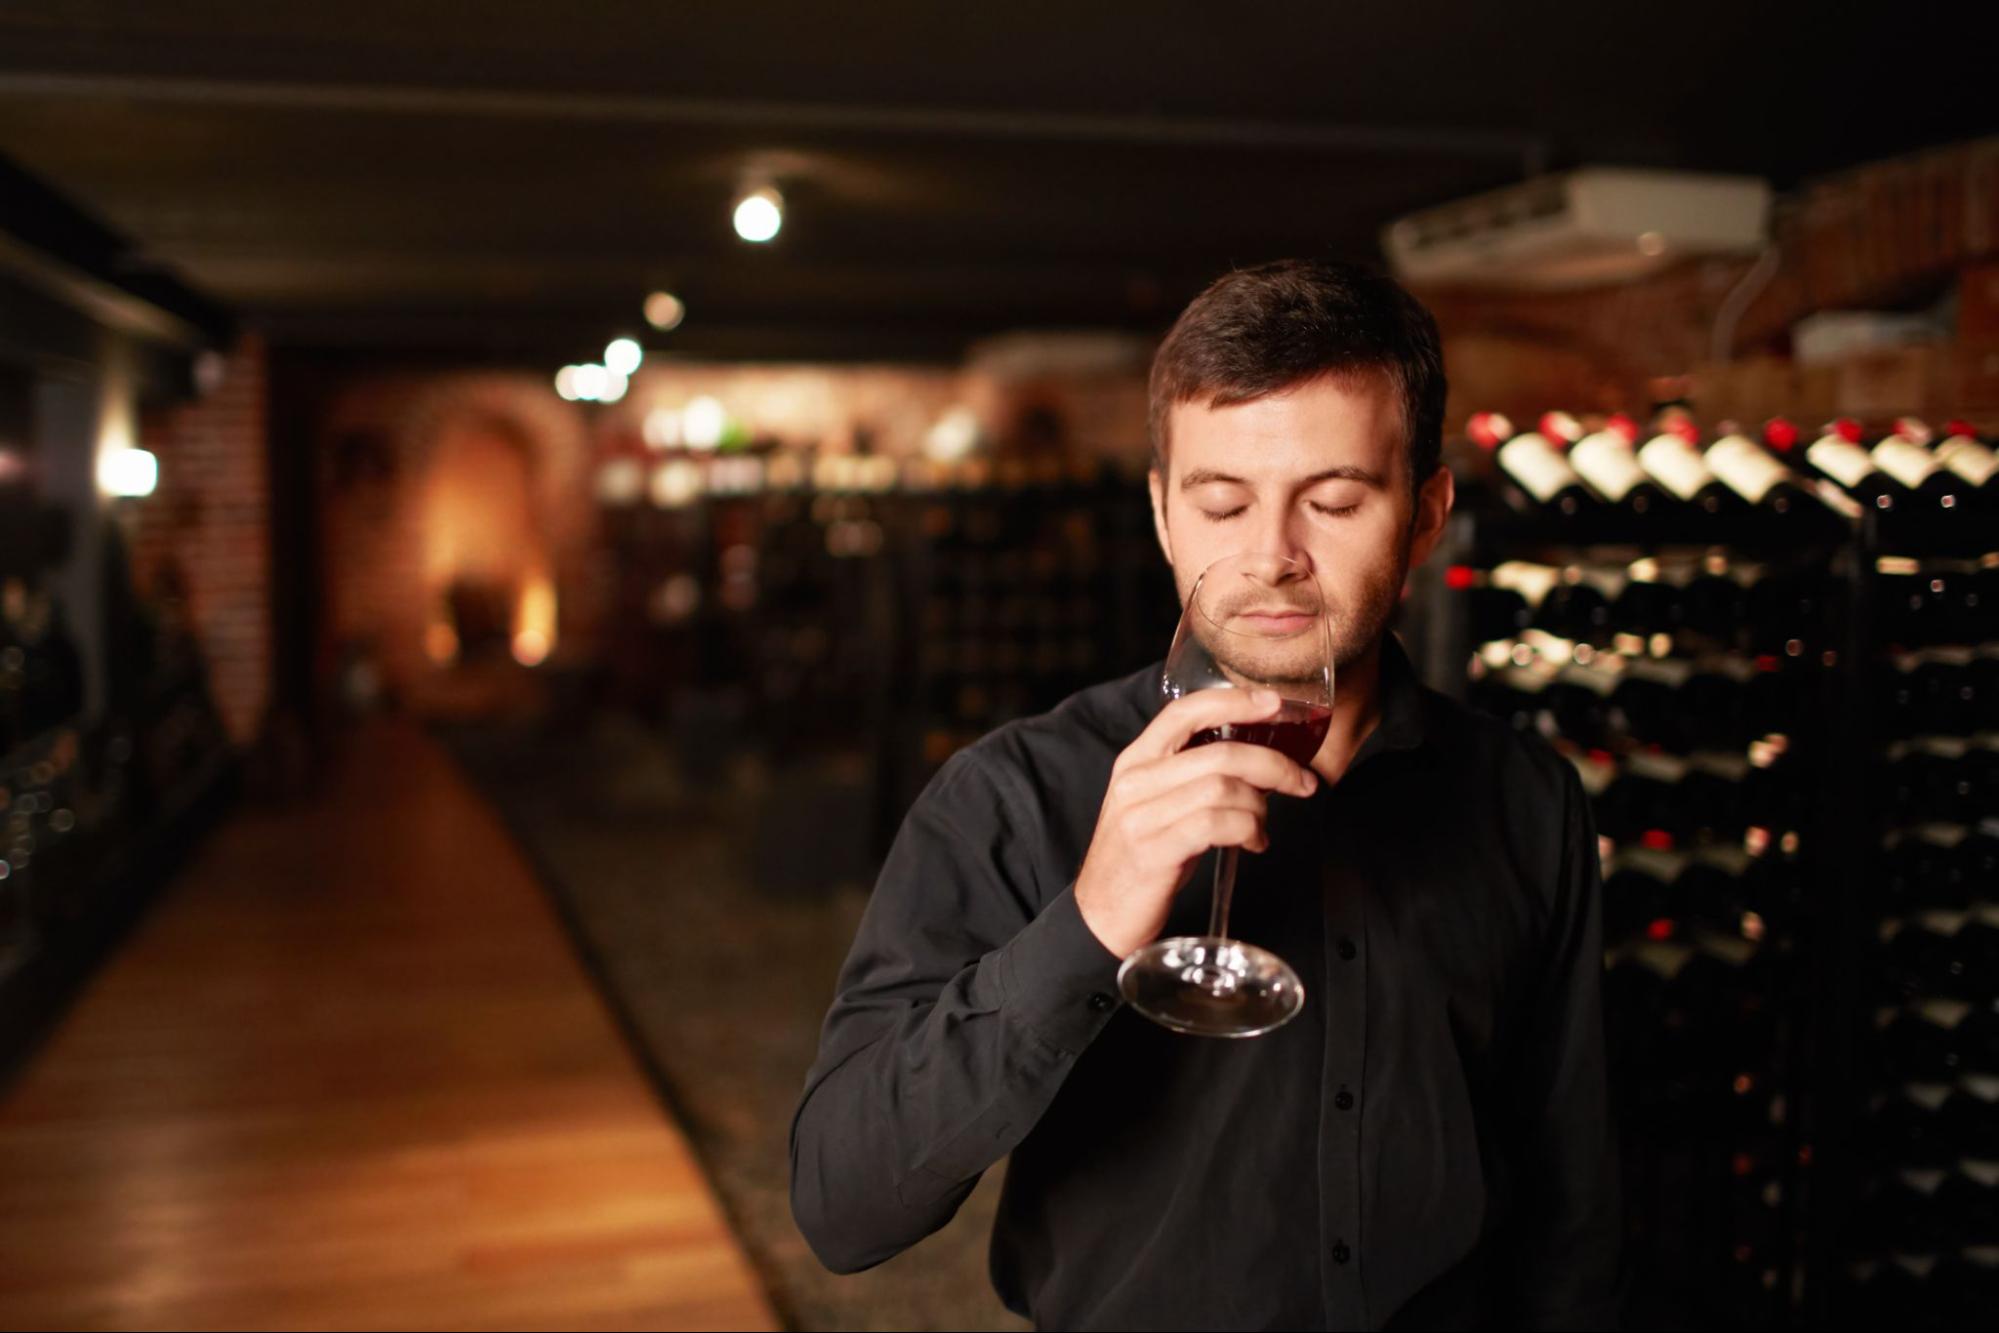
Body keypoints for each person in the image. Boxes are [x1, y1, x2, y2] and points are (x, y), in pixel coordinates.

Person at [790, 259, 1623, 1331]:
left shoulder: (1523, 798)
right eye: (1221, 502)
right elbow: (839, 1205)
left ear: (1424, 516)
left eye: (1332, 501)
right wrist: (1087, 924)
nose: (1271, 558)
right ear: (1161, 514)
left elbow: (1573, 1201)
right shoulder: (1013, 793)